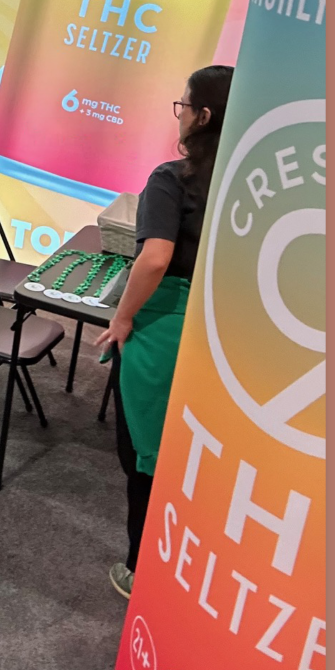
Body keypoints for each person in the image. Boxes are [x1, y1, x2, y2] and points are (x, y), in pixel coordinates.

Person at [94, 64, 235, 600]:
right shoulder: (249, 181)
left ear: (202, 116)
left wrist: (124, 316)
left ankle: (142, 570)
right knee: (200, 457)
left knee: (146, 459)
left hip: (166, 328)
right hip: (224, 330)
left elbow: (154, 259)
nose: (179, 116)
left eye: (183, 106)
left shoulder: (172, 179)